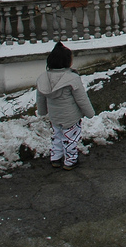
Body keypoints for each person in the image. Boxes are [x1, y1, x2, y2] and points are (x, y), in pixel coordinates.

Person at [35, 42, 95, 171]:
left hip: (54, 116)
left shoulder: (42, 78)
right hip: (71, 117)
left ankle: (55, 158)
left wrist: (42, 111)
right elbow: (81, 99)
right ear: (67, 62)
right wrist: (90, 113)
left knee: (57, 137)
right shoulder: (72, 78)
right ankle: (70, 161)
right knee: (70, 139)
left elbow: (40, 98)